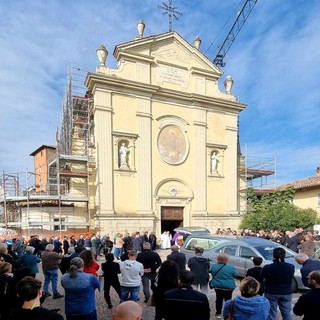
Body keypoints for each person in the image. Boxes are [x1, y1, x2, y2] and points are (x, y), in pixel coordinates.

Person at [261, 247, 295, 320]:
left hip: (271, 291)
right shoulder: (291, 267)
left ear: (273, 255)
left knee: (271, 313)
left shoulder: (268, 267)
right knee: (286, 312)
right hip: (286, 292)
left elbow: (261, 276)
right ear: (284, 255)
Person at [209, 253, 237, 319]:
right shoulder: (231, 267)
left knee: (219, 299)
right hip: (229, 286)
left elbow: (212, 273)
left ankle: (218, 313)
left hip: (217, 286)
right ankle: (228, 313)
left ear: (218, 259)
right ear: (227, 260)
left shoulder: (214, 266)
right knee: (228, 299)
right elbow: (235, 275)